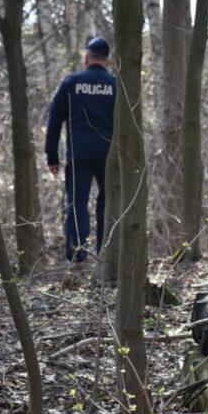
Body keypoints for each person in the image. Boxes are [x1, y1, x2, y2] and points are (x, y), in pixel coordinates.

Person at [45, 38, 115, 263]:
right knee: (108, 204)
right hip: (109, 156)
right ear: (107, 61)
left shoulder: (71, 83)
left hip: (79, 155)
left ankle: (76, 257)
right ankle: (105, 255)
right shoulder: (115, 85)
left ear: (86, 59)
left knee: (77, 205)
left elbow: (55, 119)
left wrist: (52, 156)